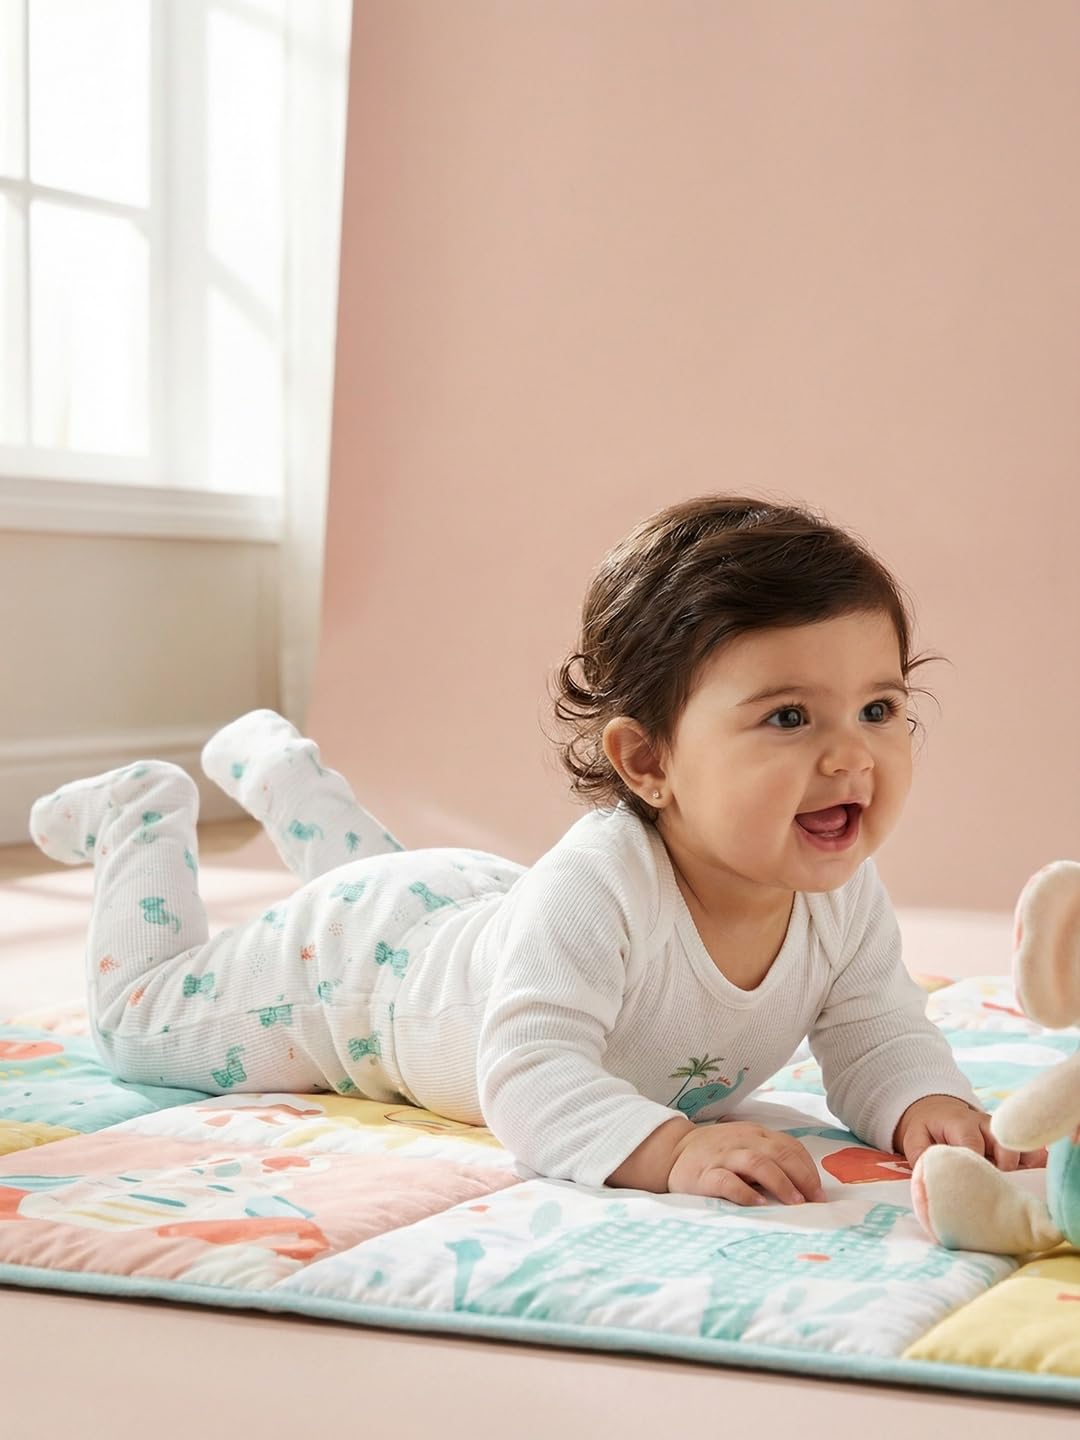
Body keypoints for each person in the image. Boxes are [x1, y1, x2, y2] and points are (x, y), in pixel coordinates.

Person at [29, 494, 1045, 1205]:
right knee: (138, 1024)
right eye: (788, 717)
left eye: (879, 709)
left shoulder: (841, 893)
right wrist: (670, 1150)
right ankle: (140, 816)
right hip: (360, 975)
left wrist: (925, 1103)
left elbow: (875, 1028)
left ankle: (283, 779)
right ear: (649, 760)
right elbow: (526, 1072)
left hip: (471, 909)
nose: (851, 755)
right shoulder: (599, 886)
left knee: (381, 886)